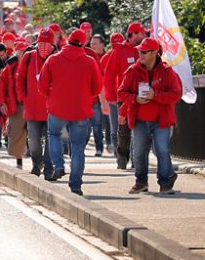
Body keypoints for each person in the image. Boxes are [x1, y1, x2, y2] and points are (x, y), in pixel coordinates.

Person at [38, 29, 102, 196]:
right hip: (81, 108)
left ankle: (58, 165)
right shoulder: (89, 61)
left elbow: (42, 85)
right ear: (83, 43)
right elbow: (97, 88)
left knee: (53, 135)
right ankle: (75, 184)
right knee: (78, 147)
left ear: (68, 40)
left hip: (57, 106)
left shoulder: (53, 59)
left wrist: (51, 95)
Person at [117, 37, 182, 194]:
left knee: (162, 150)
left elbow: (176, 94)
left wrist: (155, 95)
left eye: (144, 51)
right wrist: (134, 99)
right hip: (139, 119)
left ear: (154, 53)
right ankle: (141, 182)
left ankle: (165, 183)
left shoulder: (168, 72)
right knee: (138, 152)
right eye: (139, 51)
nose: (140, 53)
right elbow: (121, 92)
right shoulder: (132, 71)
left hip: (162, 120)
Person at [102, 24, 143, 168]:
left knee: (139, 129)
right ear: (132, 34)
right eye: (140, 34)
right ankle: (121, 157)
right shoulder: (119, 51)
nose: (143, 36)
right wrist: (110, 95)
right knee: (123, 131)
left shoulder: (144, 50)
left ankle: (136, 160)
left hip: (142, 97)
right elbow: (110, 74)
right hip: (124, 97)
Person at [17, 29, 56, 178]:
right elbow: (20, 78)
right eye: (41, 43)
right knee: (33, 140)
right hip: (31, 108)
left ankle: (48, 168)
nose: (44, 46)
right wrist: (23, 98)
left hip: (52, 109)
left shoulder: (57, 58)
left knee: (51, 140)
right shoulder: (28, 58)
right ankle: (36, 163)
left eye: (47, 43)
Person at [0, 38, 29, 168]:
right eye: (20, 51)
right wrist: (1, 102)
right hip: (15, 104)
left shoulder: (34, 65)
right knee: (16, 134)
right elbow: (2, 85)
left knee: (33, 134)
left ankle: (38, 160)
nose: (21, 54)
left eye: (24, 51)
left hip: (31, 104)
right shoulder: (10, 68)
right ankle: (19, 161)